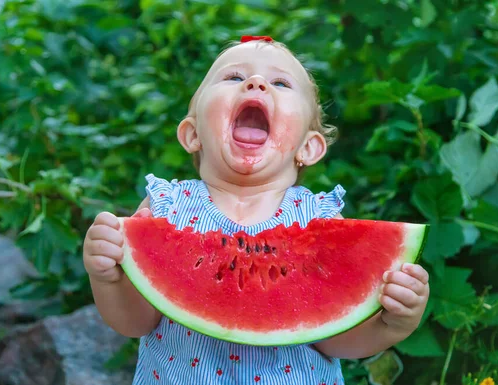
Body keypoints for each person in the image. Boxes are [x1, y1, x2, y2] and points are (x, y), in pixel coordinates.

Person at [83, 36, 430, 384]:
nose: (256, 83)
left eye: (280, 83)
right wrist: (108, 276)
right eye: (233, 77)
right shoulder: (165, 207)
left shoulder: (320, 219)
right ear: (192, 135)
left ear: (308, 148)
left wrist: (390, 325)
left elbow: (333, 336)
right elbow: (135, 323)